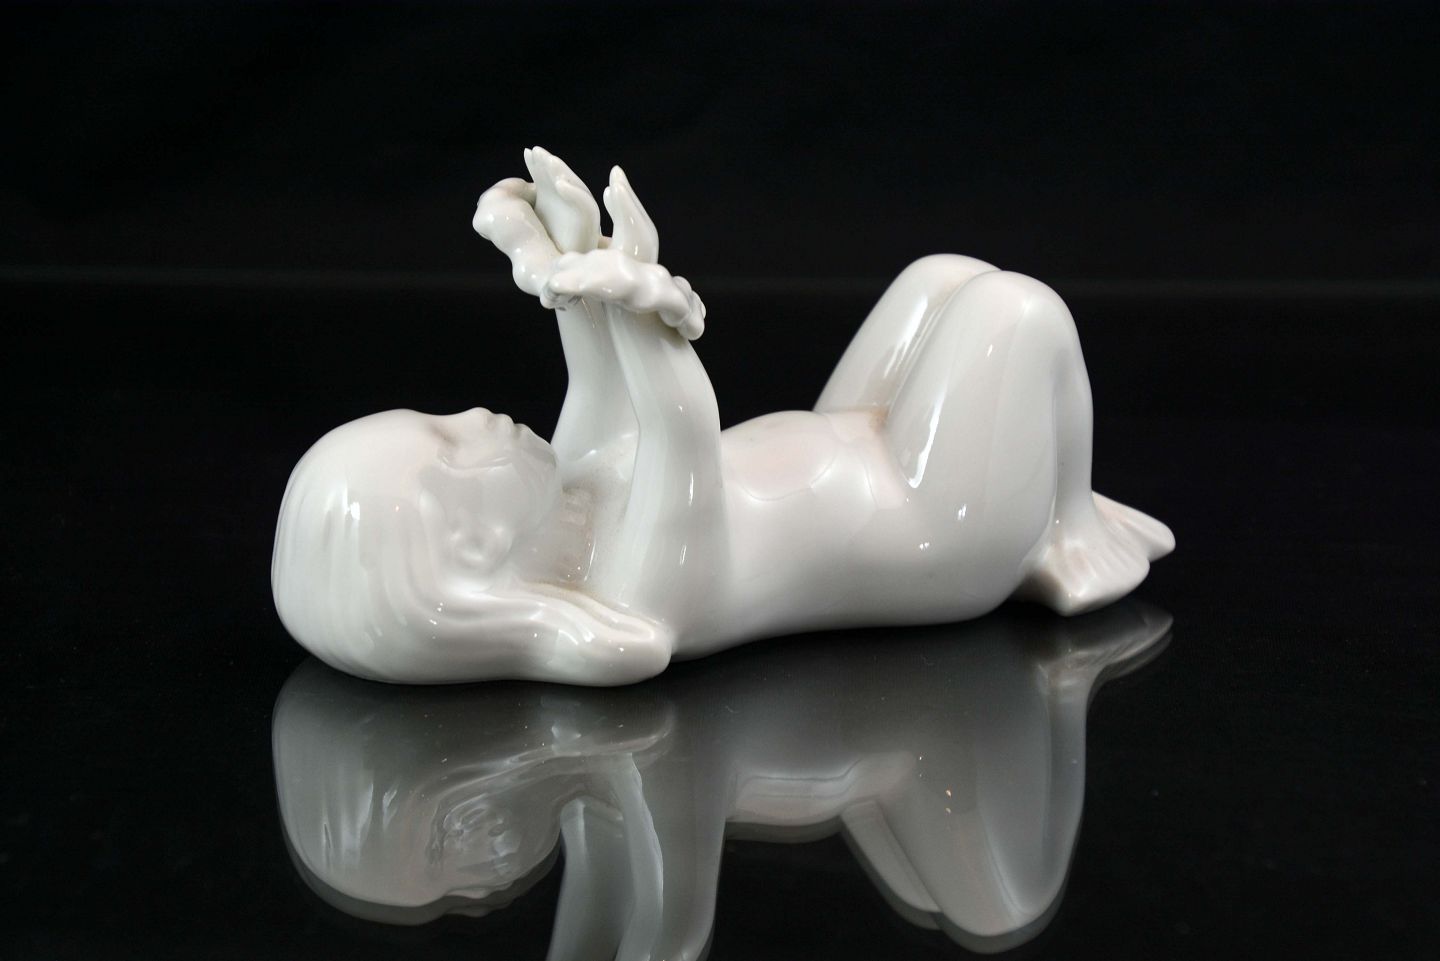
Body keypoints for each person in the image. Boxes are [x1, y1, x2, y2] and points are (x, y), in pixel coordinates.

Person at [271, 148, 1173, 685]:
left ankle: (1053, 507)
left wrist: (564, 259)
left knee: (940, 278)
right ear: (468, 546)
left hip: (864, 443)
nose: (473, 412)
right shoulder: (634, 591)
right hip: (935, 528)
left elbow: (598, 378)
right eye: (450, 443)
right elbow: (680, 421)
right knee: (1018, 311)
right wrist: (634, 290)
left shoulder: (578, 486)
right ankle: (1059, 530)